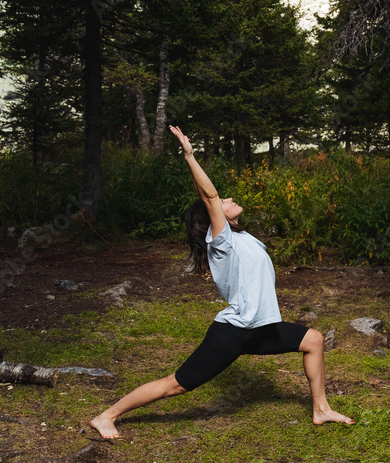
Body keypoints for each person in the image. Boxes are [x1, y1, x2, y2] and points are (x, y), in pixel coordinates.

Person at [89, 125, 352, 439]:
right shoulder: (222, 240)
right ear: (216, 219)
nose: (228, 198)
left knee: (314, 340)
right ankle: (107, 416)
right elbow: (209, 195)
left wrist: (204, 192)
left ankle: (321, 409)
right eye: (223, 202)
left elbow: (208, 198)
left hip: (261, 327)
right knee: (175, 385)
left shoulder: (241, 237)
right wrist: (189, 155)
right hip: (233, 333)